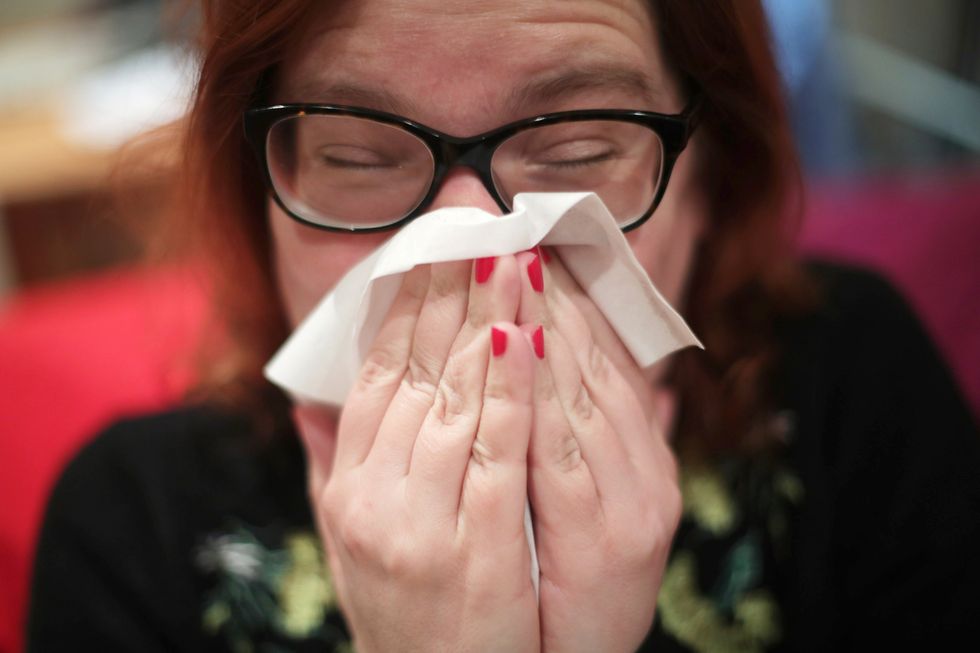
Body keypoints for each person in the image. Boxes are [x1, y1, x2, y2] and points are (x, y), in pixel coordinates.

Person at [27, 1, 979, 651]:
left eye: (577, 151)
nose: (473, 234)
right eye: (360, 157)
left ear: (708, 178)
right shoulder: (132, 524)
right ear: (263, 193)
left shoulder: (850, 385)